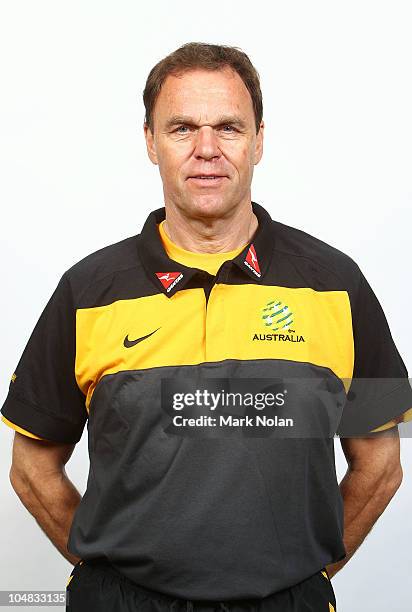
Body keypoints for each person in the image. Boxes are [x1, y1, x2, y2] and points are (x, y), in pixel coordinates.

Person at [2, 42, 412, 612]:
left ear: (259, 140)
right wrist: (112, 574)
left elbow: (383, 466)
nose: (206, 150)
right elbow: (31, 467)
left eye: (228, 128)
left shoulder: (338, 282)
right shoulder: (85, 290)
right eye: (181, 128)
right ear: (150, 141)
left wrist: (303, 575)